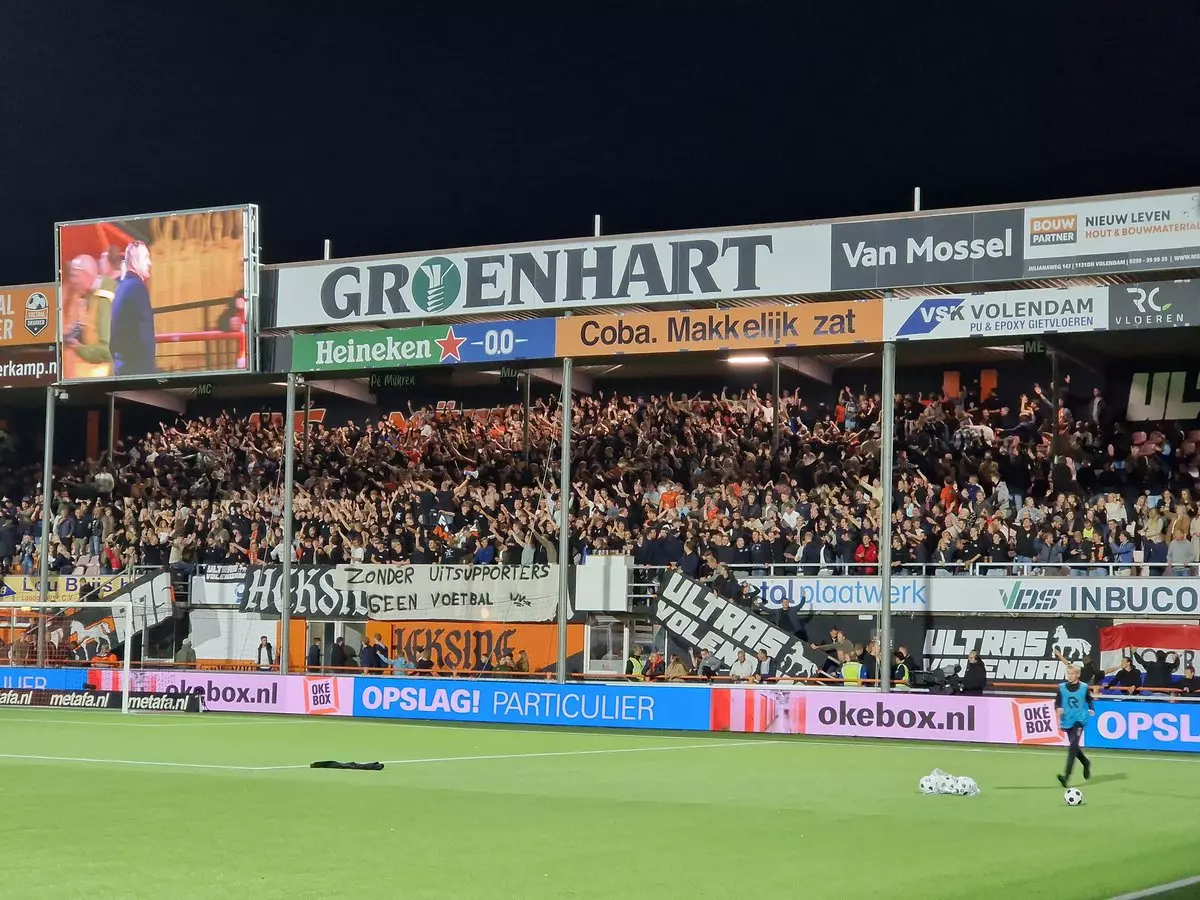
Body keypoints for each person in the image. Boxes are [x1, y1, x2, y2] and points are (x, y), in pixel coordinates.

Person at [109, 241, 158, 376]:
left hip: (122, 368)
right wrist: (150, 374)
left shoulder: (120, 288)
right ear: (135, 261)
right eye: (146, 258)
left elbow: (112, 339)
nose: (150, 263)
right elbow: (145, 336)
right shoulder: (138, 288)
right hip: (137, 371)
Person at [1055, 664, 1094, 787]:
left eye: (1072, 674)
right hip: (1067, 720)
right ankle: (1086, 762)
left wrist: (1091, 709)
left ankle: (1066, 777)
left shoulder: (1083, 687)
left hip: (1079, 720)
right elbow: (1057, 702)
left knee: (1072, 747)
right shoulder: (1061, 687)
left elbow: (1089, 699)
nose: (1070, 676)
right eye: (1068, 673)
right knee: (1074, 746)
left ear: (1077, 675)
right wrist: (1058, 709)